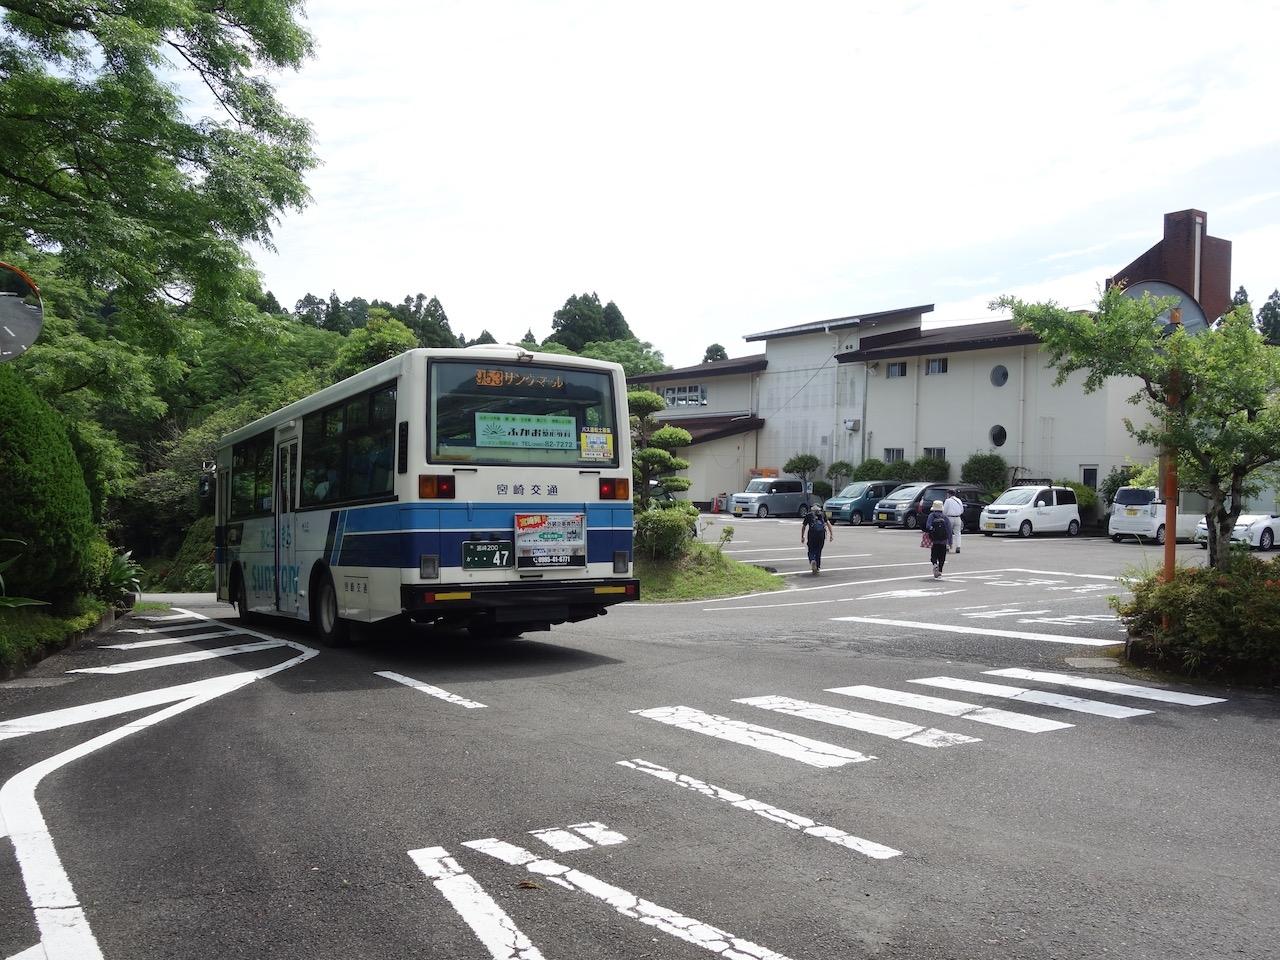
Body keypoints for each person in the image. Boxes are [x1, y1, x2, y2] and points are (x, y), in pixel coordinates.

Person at [800, 503, 834, 575]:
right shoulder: (823, 514)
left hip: (812, 535)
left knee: (811, 549)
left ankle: (812, 560)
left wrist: (802, 536)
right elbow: (828, 524)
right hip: (821, 535)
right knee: (819, 551)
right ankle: (817, 567)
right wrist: (831, 535)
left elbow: (804, 526)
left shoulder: (808, 515)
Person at [925, 499, 952, 579]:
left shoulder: (931, 516)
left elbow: (927, 526)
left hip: (935, 540)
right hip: (943, 541)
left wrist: (932, 530)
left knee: (934, 555)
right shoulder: (945, 517)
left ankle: (934, 564)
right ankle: (940, 571)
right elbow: (949, 530)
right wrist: (950, 542)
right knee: (942, 557)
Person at [943, 489, 965, 553]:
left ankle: (947, 546)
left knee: (948, 532)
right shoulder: (959, 500)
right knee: (958, 533)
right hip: (958, 517)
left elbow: (944, 511)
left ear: (949, 494)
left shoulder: (947, 501)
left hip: (949, 518)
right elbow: (962, 510)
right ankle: (958, 546)